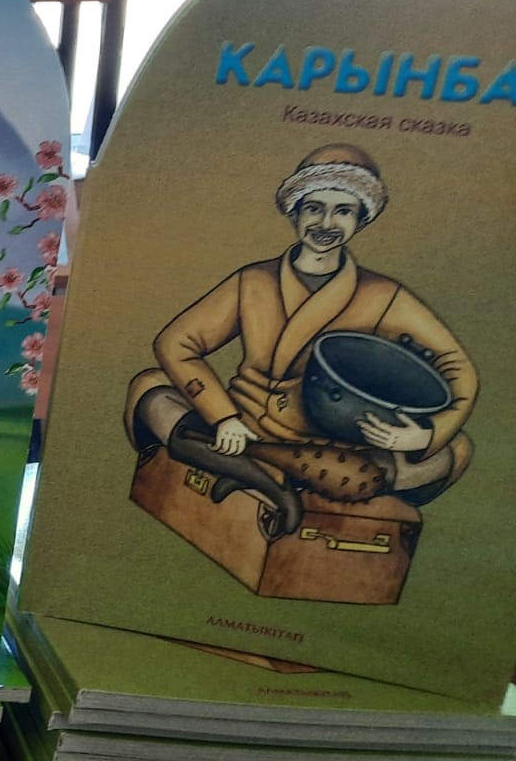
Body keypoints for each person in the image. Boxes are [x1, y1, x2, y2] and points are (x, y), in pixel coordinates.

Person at [125, 144, 477, 537]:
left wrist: (423, 434)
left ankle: (252, 469)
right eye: (314, 208)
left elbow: (457, 366)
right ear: (295, 212)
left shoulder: (384, 295)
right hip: (243, 425)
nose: (326, 222)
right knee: (150, 389)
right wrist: (223, 417)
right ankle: (273, 481)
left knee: (454, 449)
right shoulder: (253, 281)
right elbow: (175, 342)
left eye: (343, 211)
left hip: (330, 446)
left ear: (361, 220)